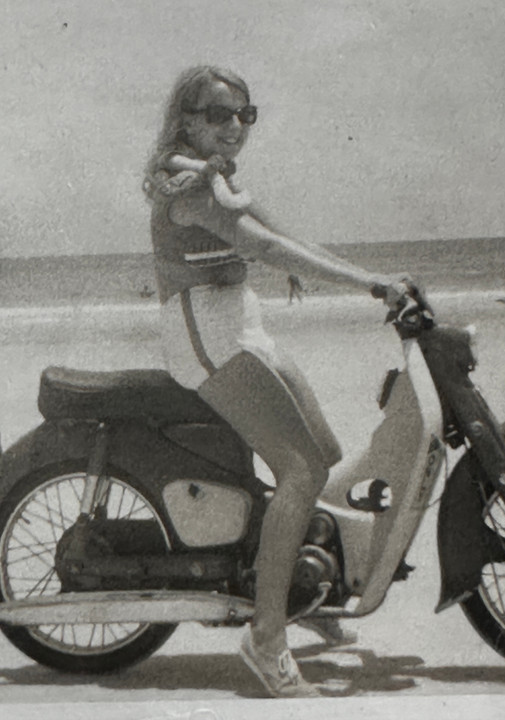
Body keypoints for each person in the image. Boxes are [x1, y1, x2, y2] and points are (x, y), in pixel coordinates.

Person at [143, 65, 410, 698]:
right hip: (204, 329)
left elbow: (284, 234)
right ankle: (265, 639)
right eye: (217, 114)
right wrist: (370, 286)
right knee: (299, 471)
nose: (234, 126)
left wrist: (376, 276)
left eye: (244, 114)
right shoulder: (190, 186)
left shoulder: (219, 176)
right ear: (186, 120)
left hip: (241, 319)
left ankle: (297, 592)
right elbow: (265, 251)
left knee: (326, 455)